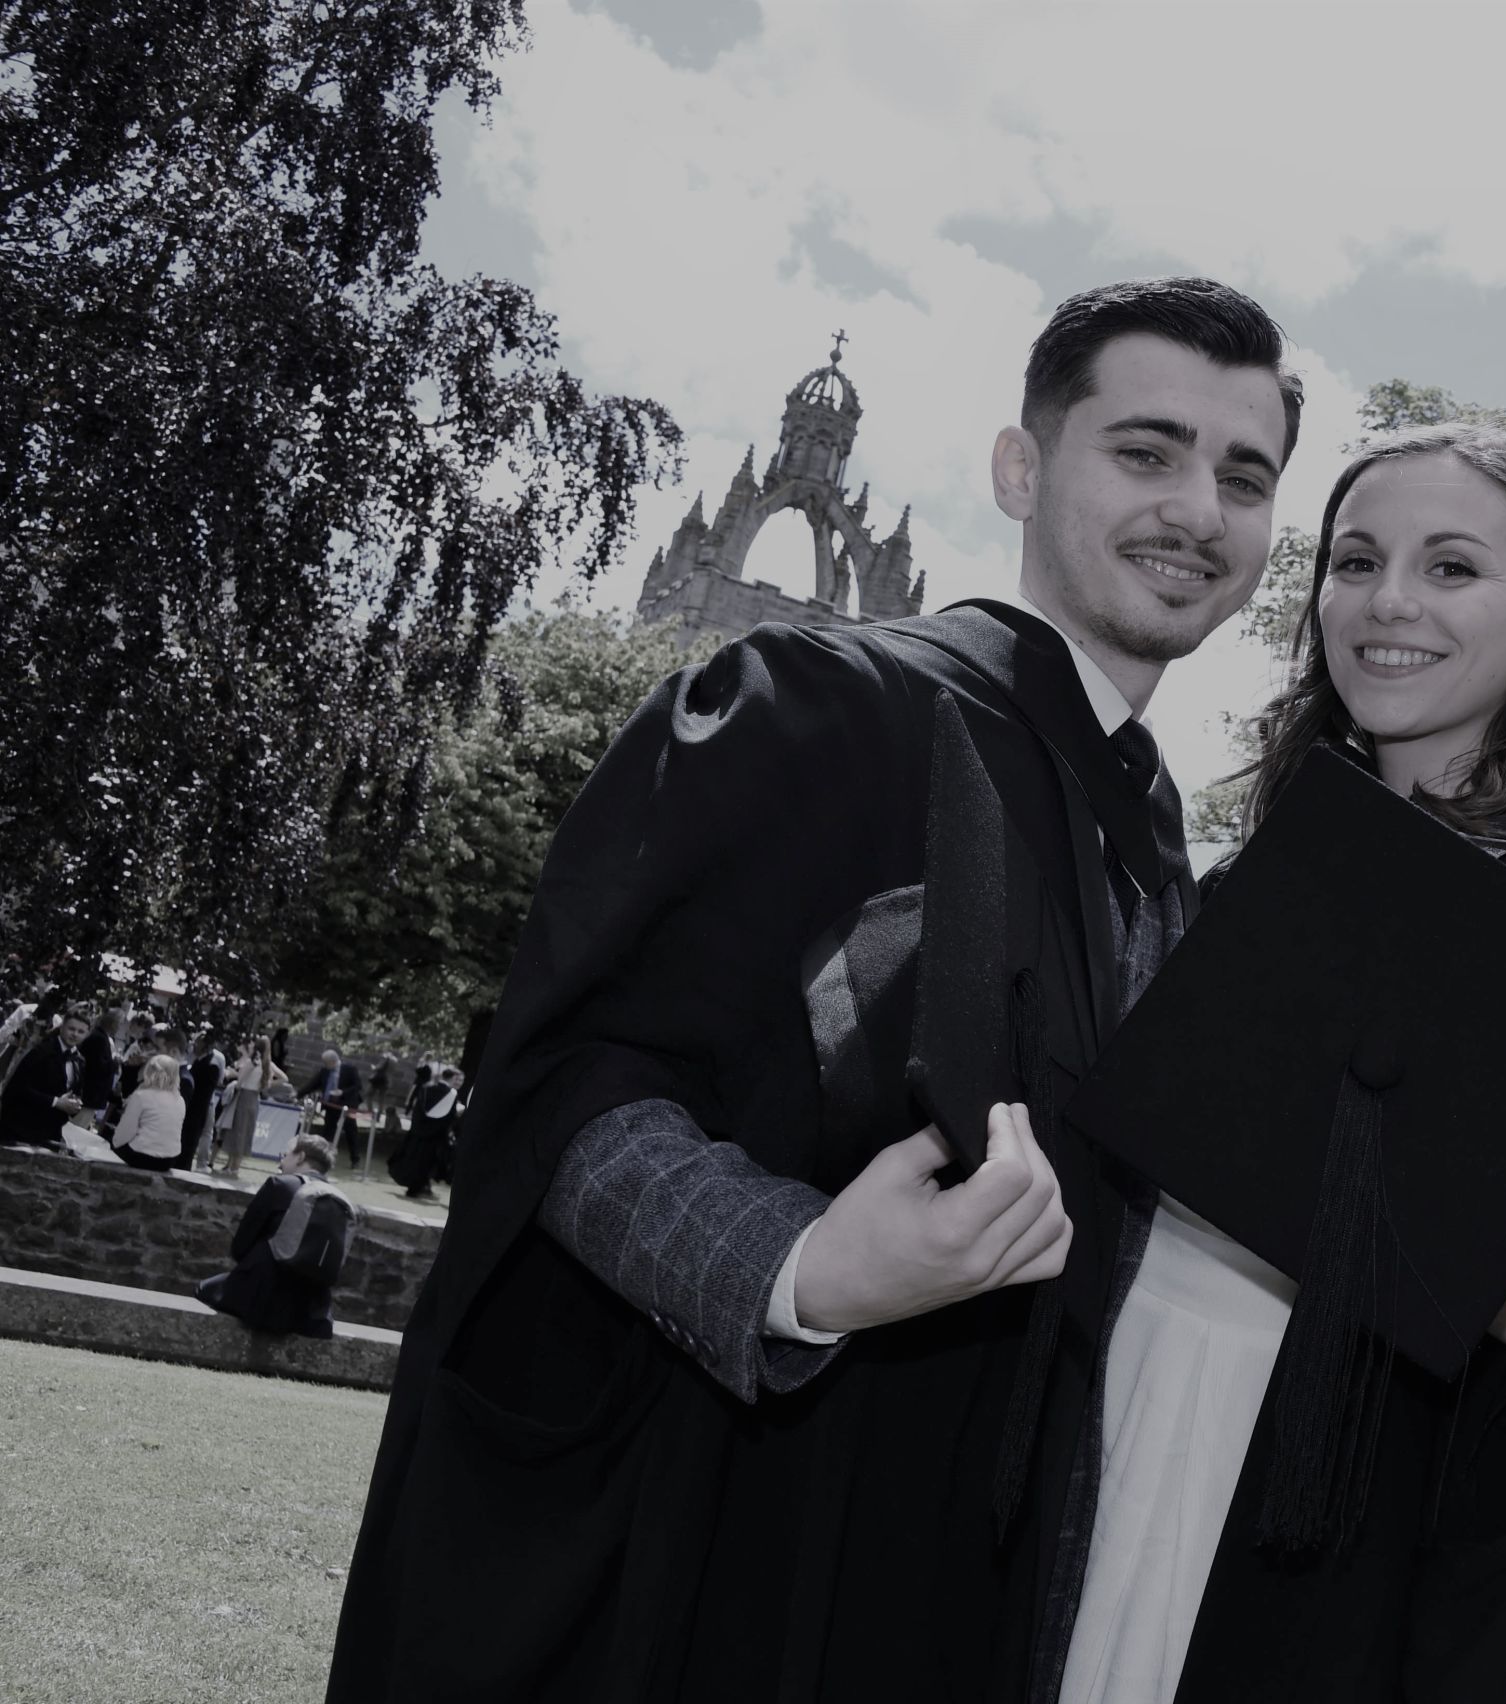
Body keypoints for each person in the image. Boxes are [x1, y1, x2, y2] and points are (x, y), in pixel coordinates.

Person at [332, 277, 1306, 1702]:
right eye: (1146, 451)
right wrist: (804, 1271)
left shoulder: (1153, 850)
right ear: (1020, 468)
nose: (1198, 510)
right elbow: (579, 1089)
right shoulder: (817, 706)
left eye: (1244, 477)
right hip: (732, 1544)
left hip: (972, 1580)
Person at [1049, 424, 1506, 1702]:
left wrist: (1406, 1229)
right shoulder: (1262, 871)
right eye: (1357, 560)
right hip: (1147, 1419)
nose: (1387, 603)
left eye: (1450, 568)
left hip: (1339, 1520)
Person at [196, 1132, 356, 1337]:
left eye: (286, 1155)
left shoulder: (280, 1185)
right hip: (313, 1309)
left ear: (300, 1157)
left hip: (261, 1296)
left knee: (204, 1289)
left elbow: (241, 1247)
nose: (281, 1161)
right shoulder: (341, 1201)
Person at [0, 1004, 91, 1149]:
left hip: (50, 1132)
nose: (75, 1034)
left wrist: (75, 1103)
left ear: (86, 1034)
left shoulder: (79, 1060)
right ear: (62, 1027)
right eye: (71, 1029)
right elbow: (17, 1088)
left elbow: (75, 1090)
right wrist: (55, 1102)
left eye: (81, 1031)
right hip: (22, 1128)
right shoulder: (41, 1051)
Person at [213, 1040, 284, 1179]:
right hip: (255, 1099)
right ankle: (234, 1167)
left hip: (244, 1097)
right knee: (245, 1132)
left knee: (238, 1131)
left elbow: (240, 1082)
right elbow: (284, 1079)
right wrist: (267, 1083)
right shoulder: (267, 1064)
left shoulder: (252, 1062)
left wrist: (237, 1080)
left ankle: (233, 1167)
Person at [389, 1065, 459, 1202]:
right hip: (434, 1137)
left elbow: (417, 1110)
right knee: (426, 1163)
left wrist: (416, 1128)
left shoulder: (427, 1089)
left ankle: (416, 1186)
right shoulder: (451, 1095)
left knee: (413, 1158)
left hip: (418, 1133)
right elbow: (450, 1118)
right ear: (451, 1078)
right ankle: (417, 1188)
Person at [110, 1052, 187, 1172]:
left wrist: (114, 1143)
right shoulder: (180, 1100)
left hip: (142, 1156)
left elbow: (125, 1132)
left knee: (109, 1138)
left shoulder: (141, 1096)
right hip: (170, 1159)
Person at [179, 1033, 227, 1171]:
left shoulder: (211, 1065)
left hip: (197, 1109)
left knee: (194, 1139)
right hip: (191, 1108)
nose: (195, 1045)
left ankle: (198, 1164)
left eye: (198, 1043)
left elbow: (204, 1092)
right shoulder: (200, 1061)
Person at [302, 1047, 359, 1146]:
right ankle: (326, 1149)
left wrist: (342, 1092)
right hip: (331, 1104)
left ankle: (355, 1154)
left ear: (332, 1061)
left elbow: (357, 1086)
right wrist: (298, 1095)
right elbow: (312, 1085)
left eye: (326, 1063)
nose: (325, 1065)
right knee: (329, 1128)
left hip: (347, 1104)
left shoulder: (349, 1069)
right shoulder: (325, 1071)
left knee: (350, 1129)